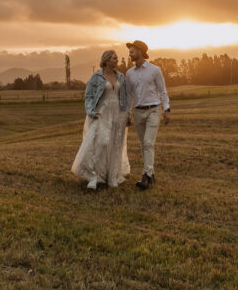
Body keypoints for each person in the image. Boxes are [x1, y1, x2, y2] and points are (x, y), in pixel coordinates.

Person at [71, 50, 131, 189]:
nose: (117, 60)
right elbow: (89, 96)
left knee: (116, 144)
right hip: (102, 113)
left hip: (118, 114)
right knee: (101, 143)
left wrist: (127, 114)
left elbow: (126, 97)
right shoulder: (96, 77)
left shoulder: (121, 76)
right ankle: (94, 176)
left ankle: (113, 177)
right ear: (107, 60)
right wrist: (91, 111)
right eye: (114, 58)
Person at [124, 40, 170, 190]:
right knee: (144, 145)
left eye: (132, 51)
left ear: (140, 51)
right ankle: (151, 175)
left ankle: (146, 176)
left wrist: (167, 110)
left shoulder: (155, 70)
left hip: (153, 110)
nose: (129, 53)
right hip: (138, 112)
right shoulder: (129, 73)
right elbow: (129, 95)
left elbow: (162, 90)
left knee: (148, 143)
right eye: (129, 51)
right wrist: (127, 114)